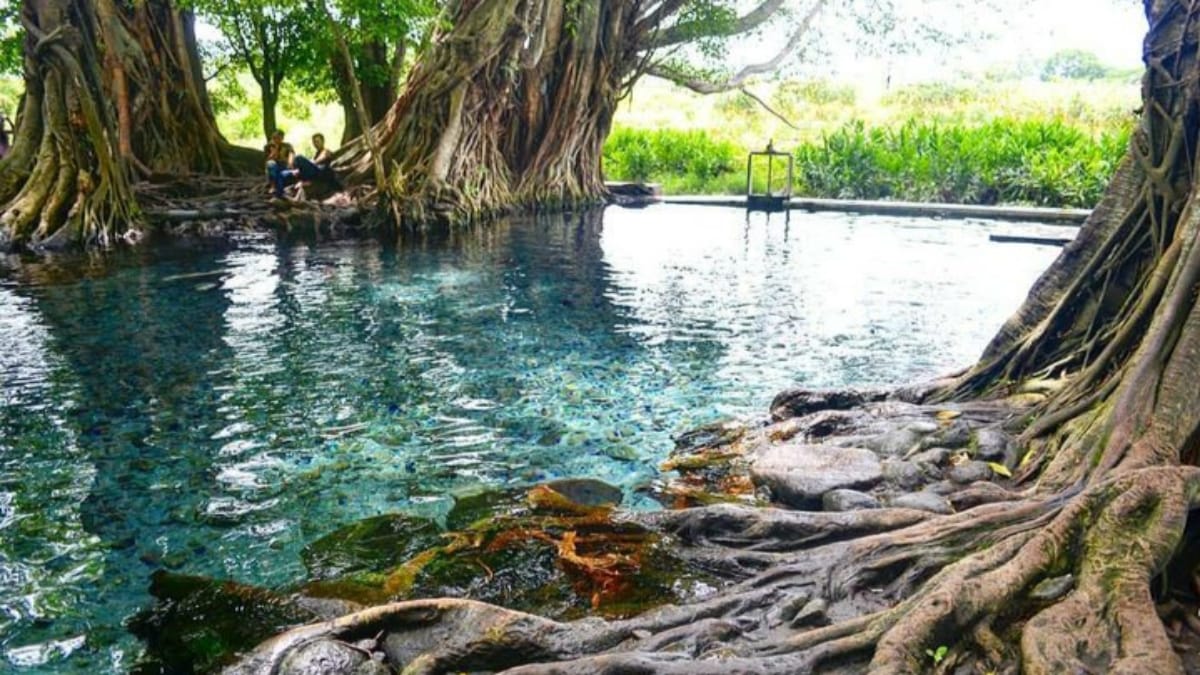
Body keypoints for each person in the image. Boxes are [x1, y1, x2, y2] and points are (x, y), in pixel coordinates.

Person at [264, 129, 297, 199]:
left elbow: (292, 154)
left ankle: (281, 191)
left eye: (279, 138)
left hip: (284, 166)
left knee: (282, 174)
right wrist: (274, 149)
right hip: (274, 166)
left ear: (282, 138)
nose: (277, 140)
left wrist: (290, 163)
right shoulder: (268, 146)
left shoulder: (287, 146)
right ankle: (273, 186)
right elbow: (268, 159)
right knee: (271, 164)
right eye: (275, 138)